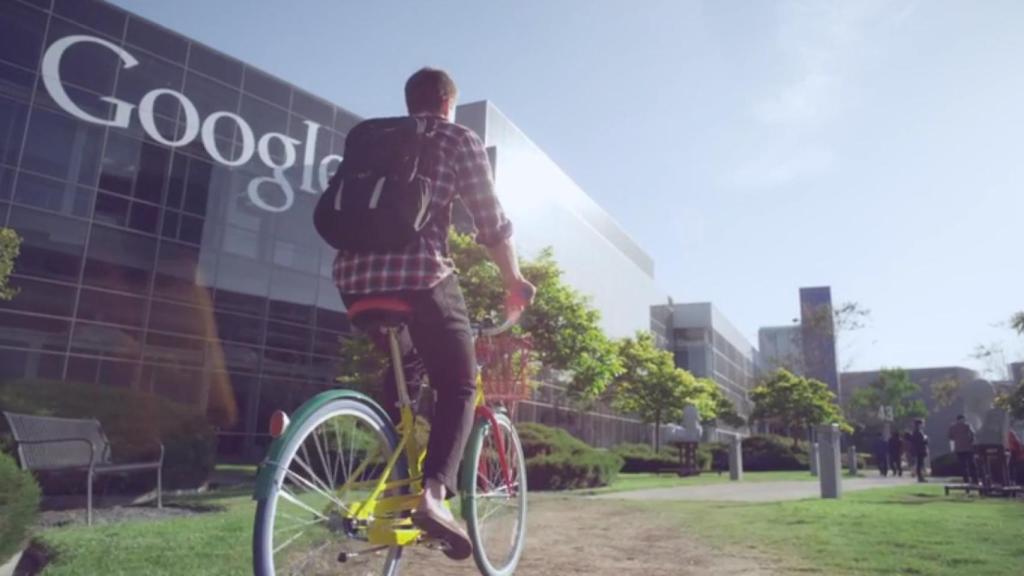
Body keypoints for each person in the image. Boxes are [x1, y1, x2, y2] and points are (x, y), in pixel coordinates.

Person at [333, 68, 536, 560]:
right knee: (460, 385)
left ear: (410, 103)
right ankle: (434, 497)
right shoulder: (456, 137)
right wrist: (514, 281)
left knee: (411, 368)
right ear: (447, 102)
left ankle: (396, 473)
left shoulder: (373, 138)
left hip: (354, 283)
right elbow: (489, 220)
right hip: (421, 278)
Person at [947, 414, 978, 484]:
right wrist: (971, 441)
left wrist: (957, 439)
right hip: (968, 448)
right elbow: (973, 434)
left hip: (959, 449)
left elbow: (950, 437)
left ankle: (966, 480)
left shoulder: (952, 427)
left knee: (963, 466)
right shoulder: (967, 425)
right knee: (972, 464)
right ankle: (975, 479)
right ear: (962, 419)